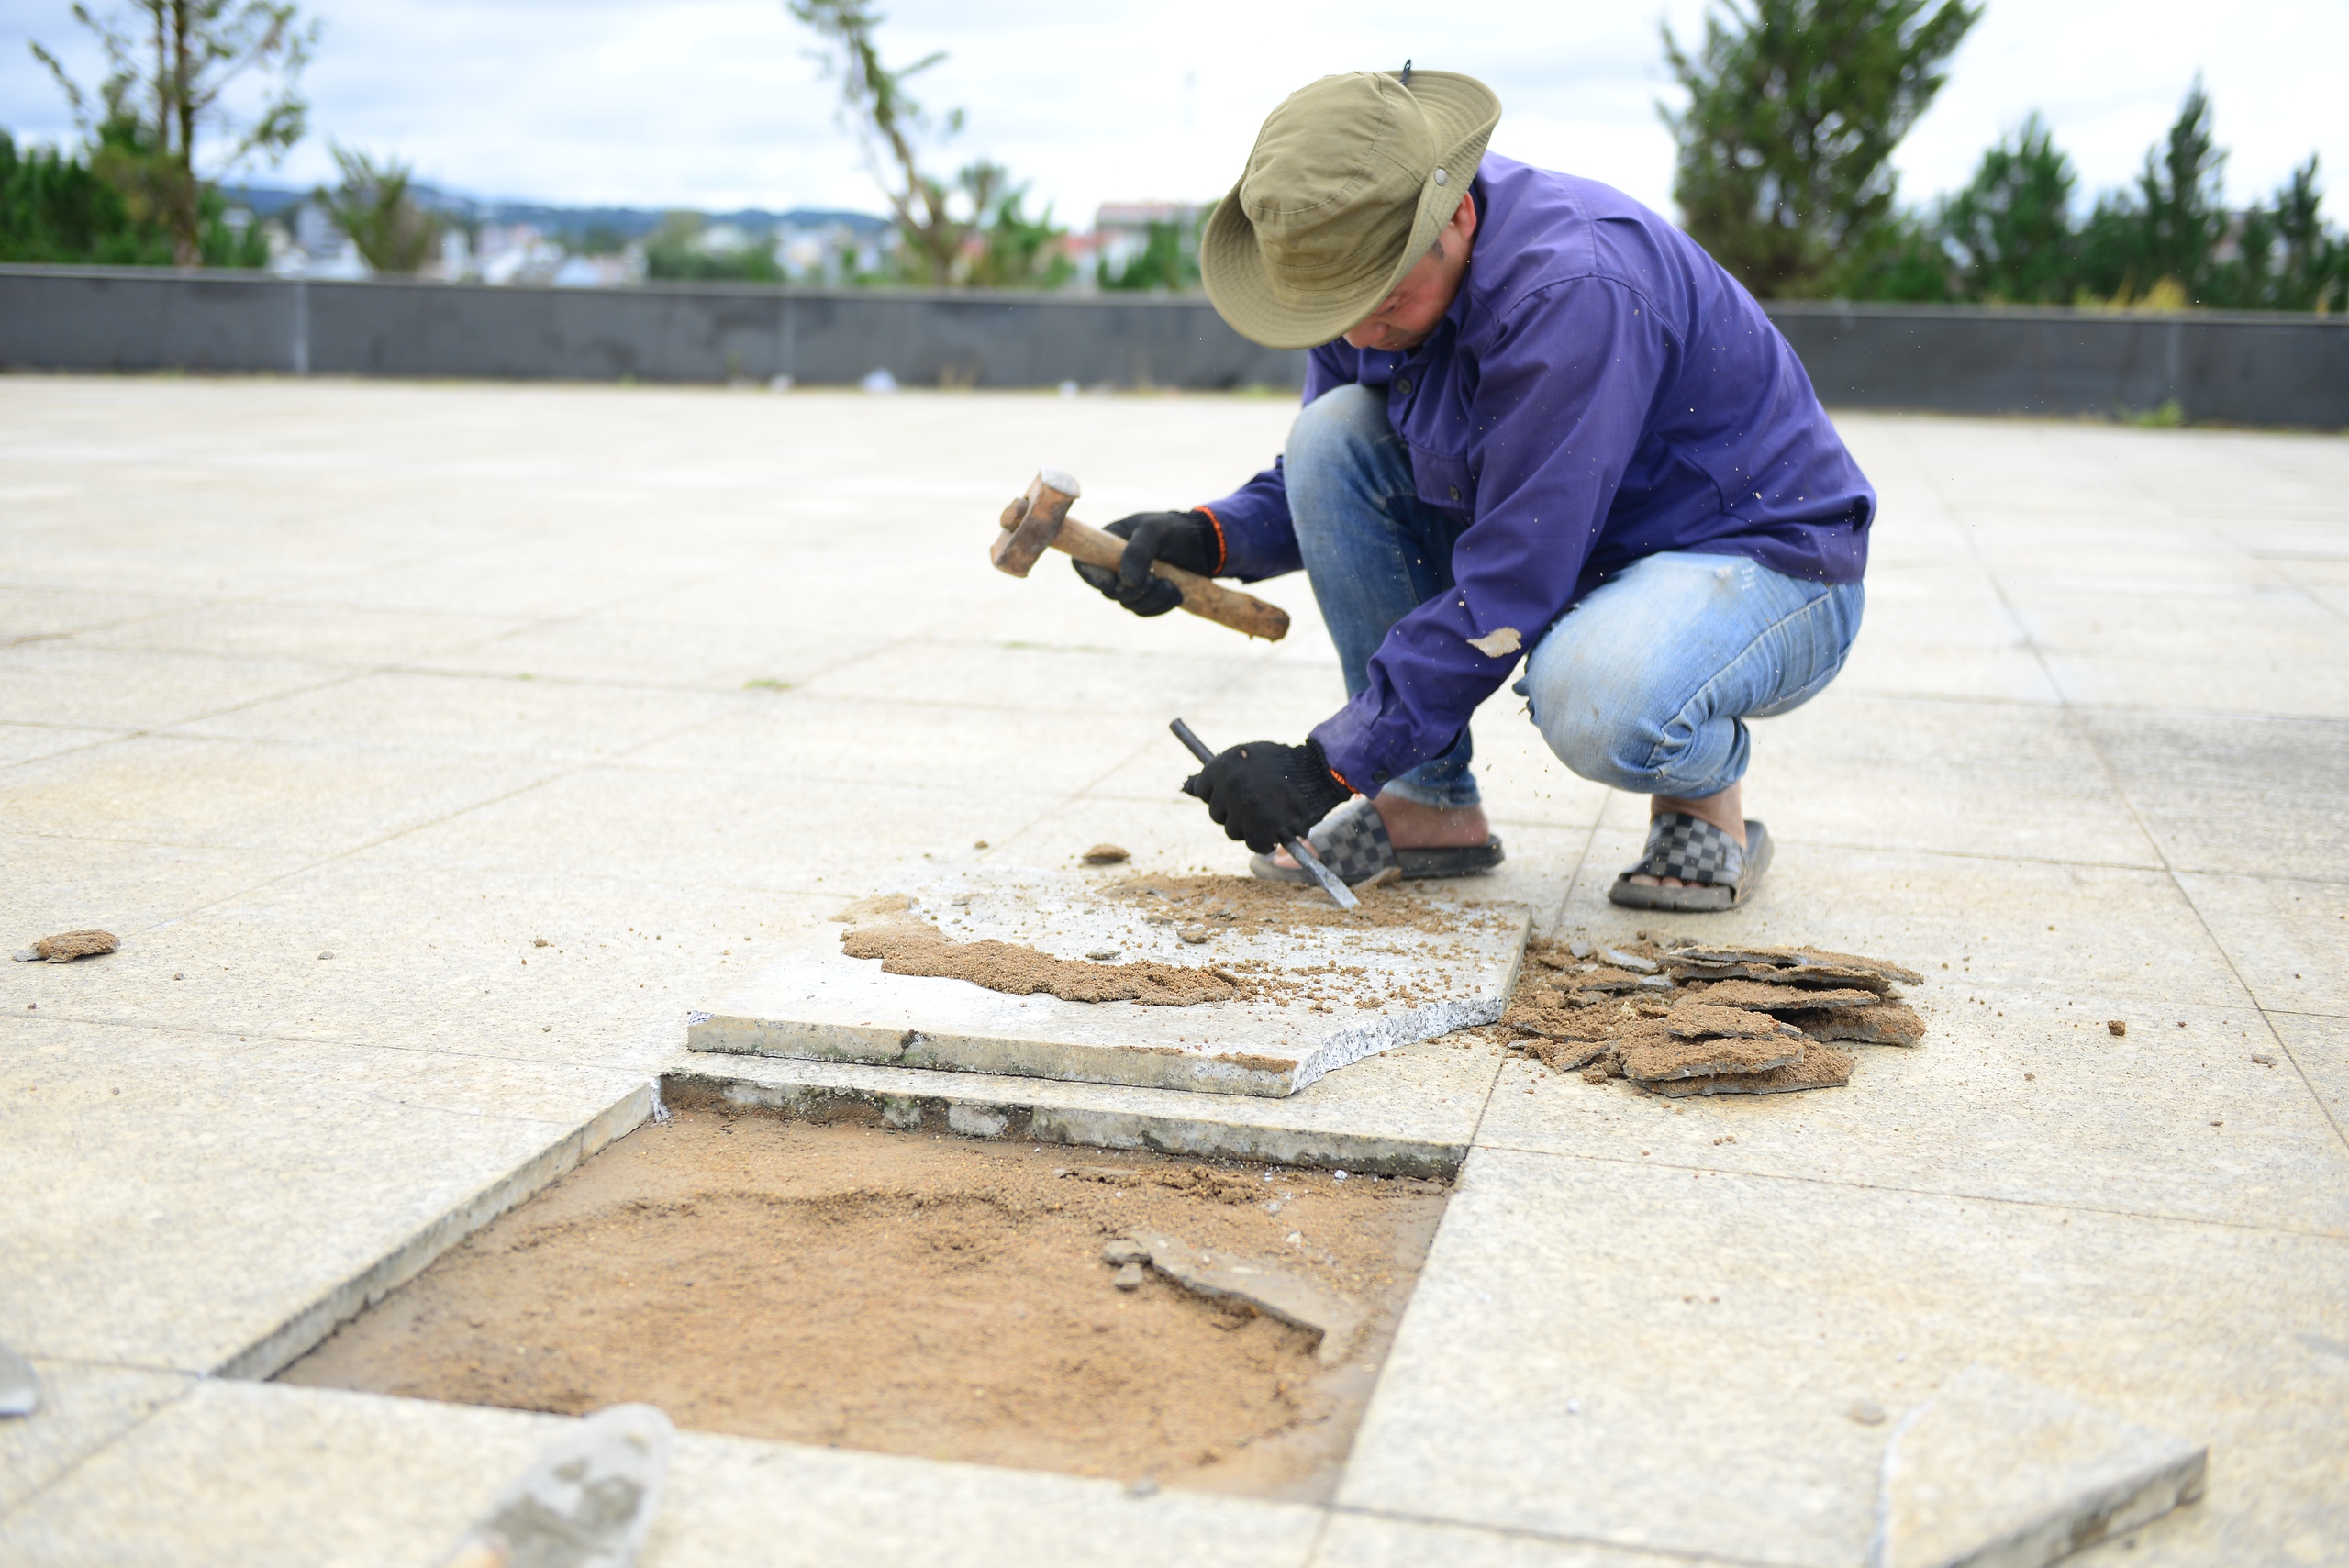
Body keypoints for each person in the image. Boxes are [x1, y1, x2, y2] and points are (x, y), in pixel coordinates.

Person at [1076, 67, 1872, 912]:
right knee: (1334, 430)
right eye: (1332, 310)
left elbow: (1515, 574)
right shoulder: (1369, 279)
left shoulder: (1573, 293)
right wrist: (1207, 538)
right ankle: (1425, 805)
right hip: (1588, 550)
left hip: (1759, 564)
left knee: (1597, 698)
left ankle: (1702, 796)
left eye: (1380, 303)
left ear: (1456, 214)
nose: (1356, 333)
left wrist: (1328, 765)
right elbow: (1341, 472)